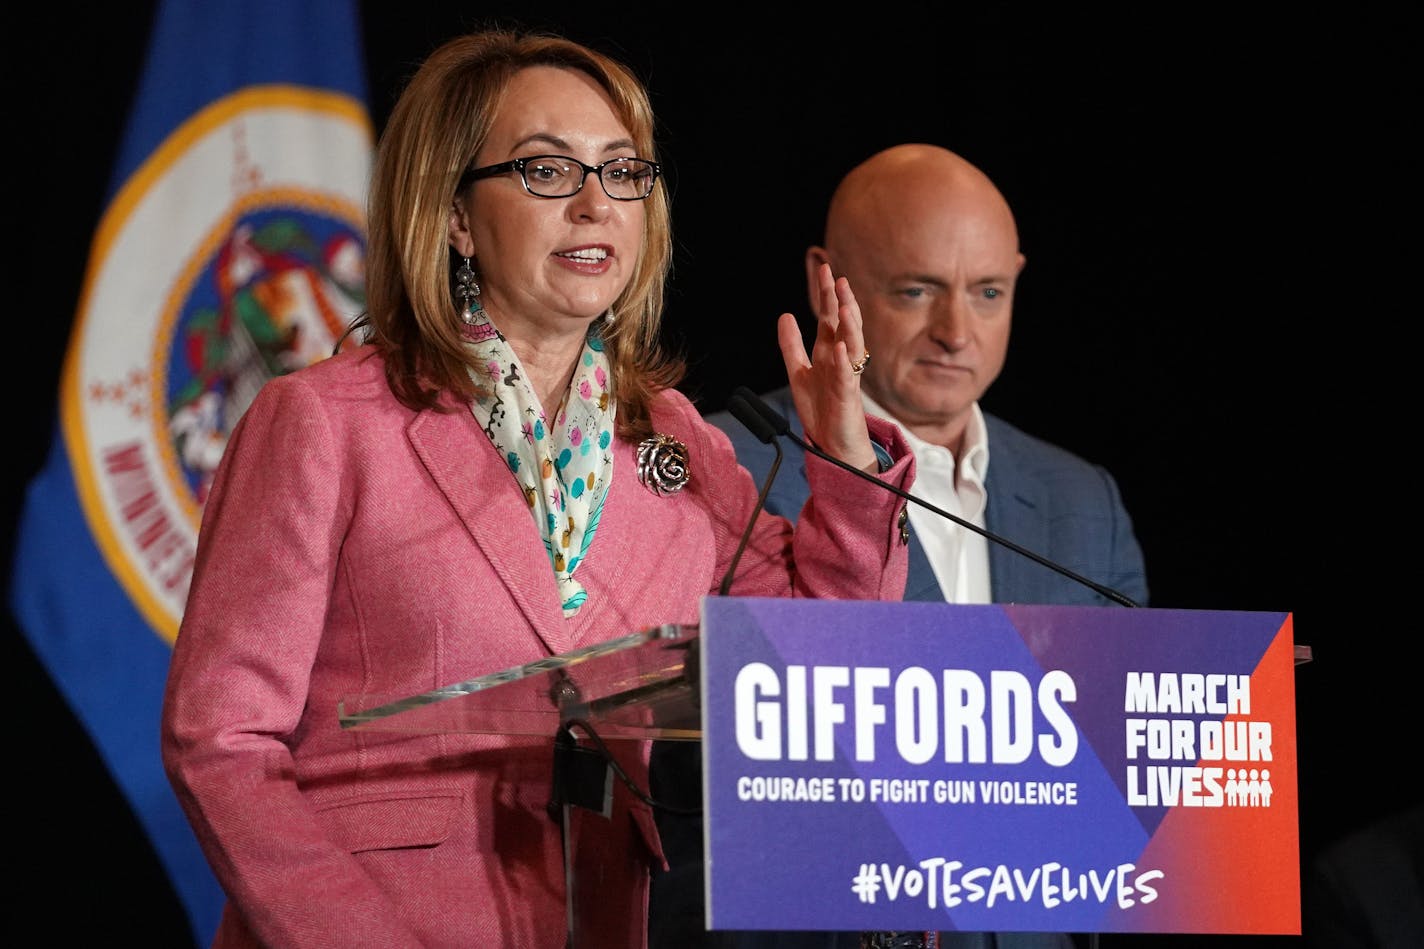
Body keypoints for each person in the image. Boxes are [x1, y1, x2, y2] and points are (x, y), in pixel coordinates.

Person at [159, 28, 916, 949]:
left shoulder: (675, 442)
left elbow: (823, 674)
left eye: (622, 172)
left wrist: (843, 456)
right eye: (549, 172)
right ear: (455, 218)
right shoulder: (324, 424)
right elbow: (223, 740)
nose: (597, 203)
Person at [649, 144, 1149, 948]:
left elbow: (1129, 792)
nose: (957, 331)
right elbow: (684, 782)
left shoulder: (1082, 500)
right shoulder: (731, 472)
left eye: (989, 292)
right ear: (828, 279)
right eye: (917, 291)